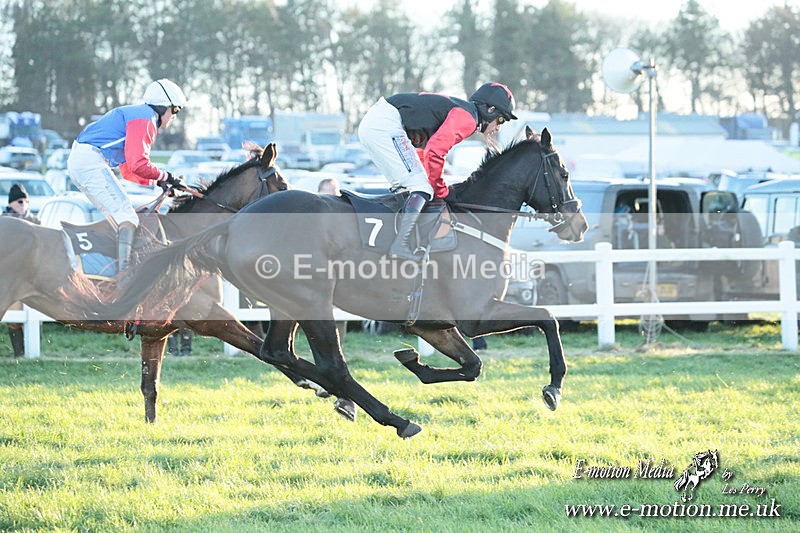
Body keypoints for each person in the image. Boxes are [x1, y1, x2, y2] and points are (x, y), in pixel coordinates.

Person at [357, 82, 517, 260]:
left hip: (377, 122)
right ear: (490, 110)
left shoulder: (464, 112)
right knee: (421, 188)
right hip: (384, 124)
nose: (498, 127)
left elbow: (425, 153)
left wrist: (433, 185)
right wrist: (441, 189)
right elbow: (435, 151)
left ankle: (398, 242)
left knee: (412, 188)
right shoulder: (468, 119)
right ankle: (400, 245)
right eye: (501, 119)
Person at [67, 78, 187, 270]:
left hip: (83, 160)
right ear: (164, 106)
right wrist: (166, 176)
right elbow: (138, 163)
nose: (174, 116)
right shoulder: (146, 119)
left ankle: (115, 264)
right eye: (175, 110)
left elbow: (128, 170)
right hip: (89, 162)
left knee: (121, 218)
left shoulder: (138, 115)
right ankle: (126, 273)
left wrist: (158, 182)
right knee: (128, 218)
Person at [3, 184, 40, 357]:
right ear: (11, 203)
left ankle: (32, 351)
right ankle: (19, 353)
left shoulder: (36, 221)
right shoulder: (4, 223)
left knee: (35, 314)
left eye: (26, 200)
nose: (24, 204)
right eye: (20, 201)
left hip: (32, 274)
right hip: (10, 277)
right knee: (15, 314)